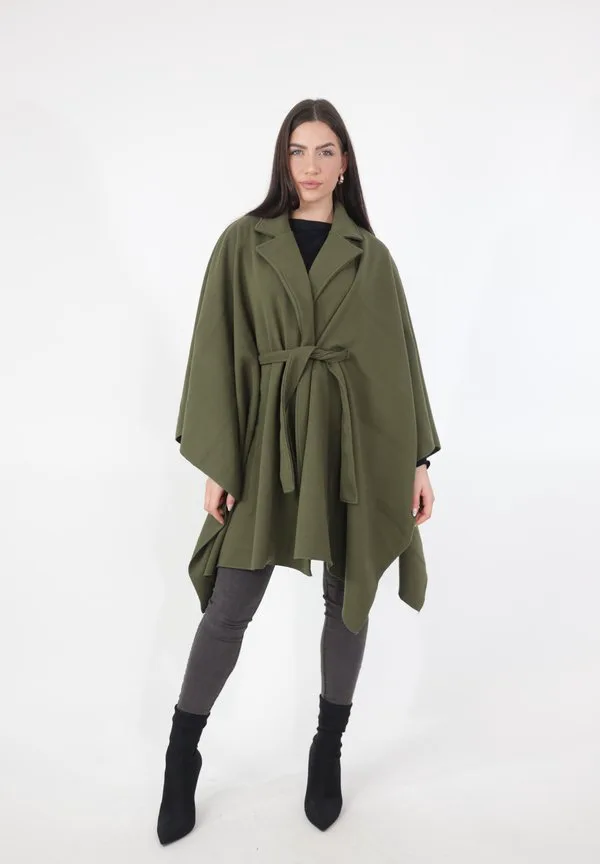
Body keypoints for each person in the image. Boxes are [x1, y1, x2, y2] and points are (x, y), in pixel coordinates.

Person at [157, 98, 441, 845]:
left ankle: (327, 747)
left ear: (345, 164)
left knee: (347, 599)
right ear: (282, 160)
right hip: (266, 439)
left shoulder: (371, 256)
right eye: (297, 151)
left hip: (351, 444)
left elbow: (397, 364)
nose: (310, 166)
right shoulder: (242, 242)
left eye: (325, 151)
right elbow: (217, 347)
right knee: (231, 603)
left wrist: (415, 460)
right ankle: (182, 754)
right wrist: (221, 460)